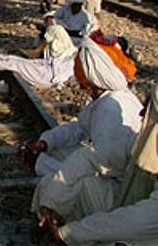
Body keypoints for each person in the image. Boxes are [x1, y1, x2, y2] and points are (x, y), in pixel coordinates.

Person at [21, 38, 142, 235]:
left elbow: (102, 166)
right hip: (114, 172)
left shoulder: (110, 109)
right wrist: (45, 143)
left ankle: (57, 222)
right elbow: (78, 129)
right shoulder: (111, 97)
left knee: (52, 183)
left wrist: (44, 170)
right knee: (58, 149)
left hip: (120, 194)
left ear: (90, 82)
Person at [55, 85, 158, 246]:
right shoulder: (140, 143)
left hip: (146, 229)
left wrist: (73, 233)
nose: (141, 114)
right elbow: (92, 157)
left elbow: (139, 220)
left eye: (148, 110)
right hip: (137, 220)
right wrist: (51, 200)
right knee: (79, 184)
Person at [0, 12, 77, 88]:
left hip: (49, 74)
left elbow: (38, 50)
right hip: (46, 66)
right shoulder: (72, 53)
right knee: (12, 59)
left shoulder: (55, 29)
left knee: (13, 63)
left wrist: (28, 52)